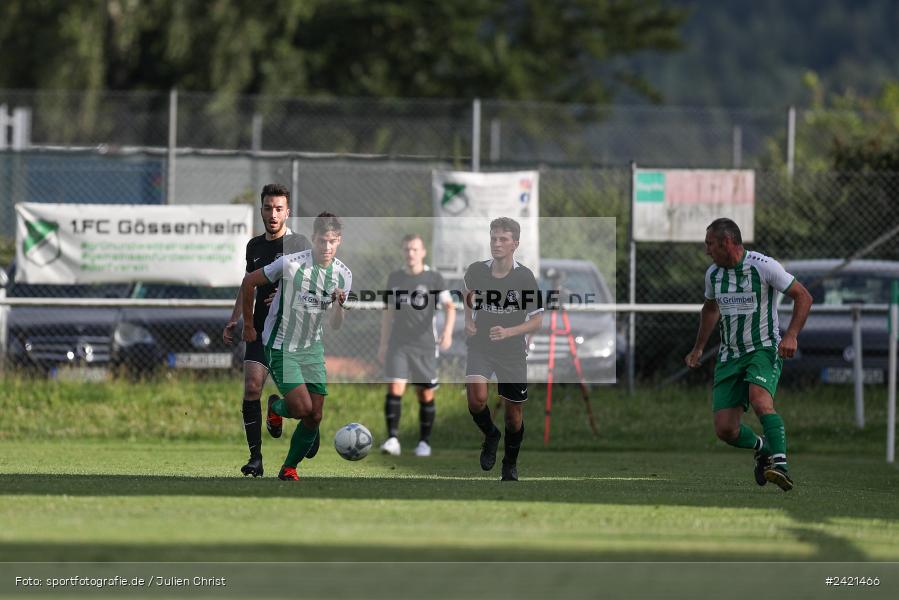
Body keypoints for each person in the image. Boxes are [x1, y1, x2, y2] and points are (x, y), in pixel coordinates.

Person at [685, 218, 812, 492]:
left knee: (760, 400)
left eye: (710, 244)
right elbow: (710, 309)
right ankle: (763, 447)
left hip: (763, 349)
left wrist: (791, 335)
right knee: (725, 430)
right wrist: (698, 347)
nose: (707, 250)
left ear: (727, 242)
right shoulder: (713, 274)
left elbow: (803, 296)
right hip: (730, 356)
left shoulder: (763, 266)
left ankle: (780, 466)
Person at [241, 212, 351, 481]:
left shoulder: (343, 274)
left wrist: (339, 304)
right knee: (302, 409)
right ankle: (276, 407)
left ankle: (289, 468)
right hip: (280, 345)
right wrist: (247, 323)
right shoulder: (291, 264)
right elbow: (249, 282)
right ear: (313, 239)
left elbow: (336, 324)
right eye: (322, 241)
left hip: (312, 348)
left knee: (315, 415)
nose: (327, 247)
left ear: (339, 241)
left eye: (333, 241)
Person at [223, 183, 309, 478]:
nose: (273, 214)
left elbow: (311, 284)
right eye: (268, 208)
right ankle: (255, 458)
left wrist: (288, 295)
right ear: (261, 210)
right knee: (251, 387)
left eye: (279, 209)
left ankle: (292, 418)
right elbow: (248, 284)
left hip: (291, 331)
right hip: (259, 328)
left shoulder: (299, 245)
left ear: (288, 212)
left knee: (303, 402)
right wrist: (235, 319)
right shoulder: (254, 246)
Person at [463, 217, 543, 481]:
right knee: (476, 400)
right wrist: (468, 320)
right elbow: (468, 294)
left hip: (511, 351)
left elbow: (537, 320)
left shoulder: (524, 277)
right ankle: (490, 434)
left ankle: (510, 463)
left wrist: (509, 331)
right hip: (481, 346)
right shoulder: (477, 270)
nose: (496, 243)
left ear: (515, 244)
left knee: (513, 417)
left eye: (503, 239)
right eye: (493, 238)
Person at [377, 234, 455, 457]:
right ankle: (392, 439)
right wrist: (383, 344)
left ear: (423, 252)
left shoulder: (434, 278)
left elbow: (450, 307)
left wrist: (447, 333)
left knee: (425, 394)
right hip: (398, 344)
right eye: (406, 249)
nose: (410, 253)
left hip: (425, 346)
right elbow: (388, 312)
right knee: (394, 388)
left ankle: (424, 443)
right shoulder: (395, 278)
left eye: (414, 249)